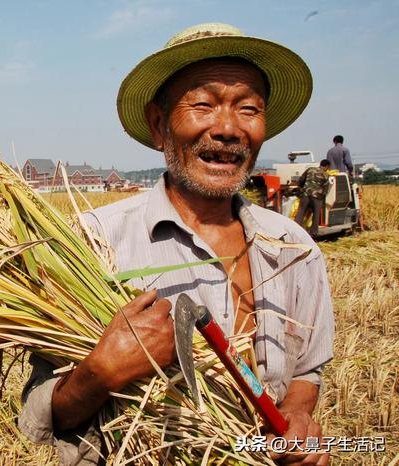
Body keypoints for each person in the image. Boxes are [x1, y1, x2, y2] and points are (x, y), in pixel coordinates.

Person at [19, 23, 334, 466]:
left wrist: (297, 414)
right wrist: (99, 373)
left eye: (248, 109)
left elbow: (307, 370)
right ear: (158, 125)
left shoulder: (293, 248)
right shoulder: (91, 244)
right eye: (202, 104)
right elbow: (39, 414)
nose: (227, 128)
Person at [295, 160, 331, 238]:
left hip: (305, 194)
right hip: (317, 196)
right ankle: (313, 233)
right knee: (316, 214)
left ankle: (296, 230)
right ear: (327, 166)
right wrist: (321, 197)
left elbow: (301, 180)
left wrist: (301, 188)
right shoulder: (325, 175)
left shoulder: (310, 169)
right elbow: (325, 189)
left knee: (301, 212)